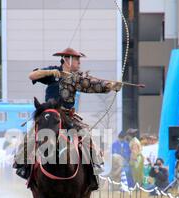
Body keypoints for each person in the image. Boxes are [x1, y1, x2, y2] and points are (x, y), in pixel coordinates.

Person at [13, 47, 123, 190]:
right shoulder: (53, 72)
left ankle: (94, 169)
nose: (79, 63)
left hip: (68, 116)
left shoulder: (77, 78)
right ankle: (23, 167)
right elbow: (32, 75)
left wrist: (111, 85)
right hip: (49, 115)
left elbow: (94, 84)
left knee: (86, 135)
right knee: (31, 137)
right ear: (67, 59)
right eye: (77, 59)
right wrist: (51, 72)